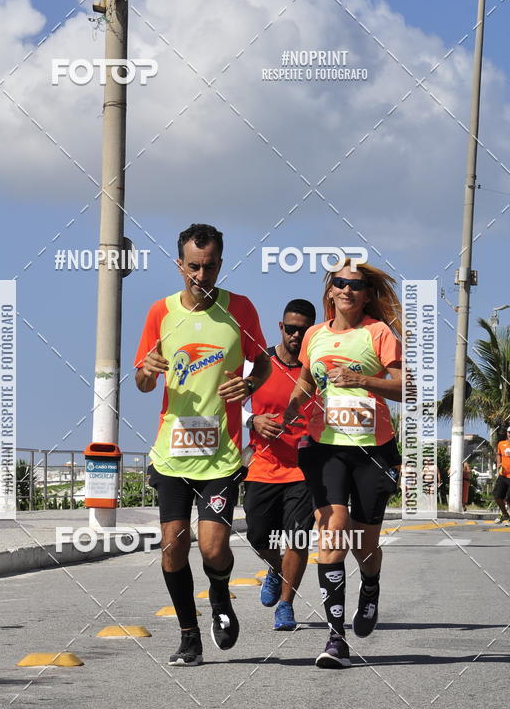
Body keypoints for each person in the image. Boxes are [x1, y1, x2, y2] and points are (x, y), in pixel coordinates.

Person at [134, 224, 270, 666]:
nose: (201, 275)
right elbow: (141, 381)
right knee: (173, 547)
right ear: (180, 265)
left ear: (220, 265)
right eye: (193, 266)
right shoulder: (161, 312)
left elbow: (263, 363)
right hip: (172, 454)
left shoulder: (240, 309)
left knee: (212, 547)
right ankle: (189, 636)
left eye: (209, 267)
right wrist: (147, 371)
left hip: (221, 455)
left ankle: (219, 594)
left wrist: (249, 383)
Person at [283, 260, 402, 669]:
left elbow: (405, 386)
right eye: (340, 283)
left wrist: (362, 380)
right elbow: (307, 380)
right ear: (330, 290)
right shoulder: (314, 334)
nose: (347, 290)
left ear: (366, 295)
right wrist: (294, 405)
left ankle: (370, 586)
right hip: (325, 447)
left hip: (372, 449)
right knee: (332, 531)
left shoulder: (378, 333)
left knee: (365, 546)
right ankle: (336, 638)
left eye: (356, 285)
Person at [242, 299, 316, 630]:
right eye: (291, 328)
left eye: (303, 330)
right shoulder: (258, 364)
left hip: (304, 469)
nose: (296, 335)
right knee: (258, 536)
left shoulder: (316, 370)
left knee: (298, 538)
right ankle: (275, 567)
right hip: (262, 465)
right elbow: (230, 404)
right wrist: (253, 420)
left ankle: (286, 605)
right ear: (281, 327)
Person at [493, 426, 510, 523]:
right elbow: (498, 454)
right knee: (497, 496)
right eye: (509, 432)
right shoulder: (501, 444)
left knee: (509, 499)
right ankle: (505, 514)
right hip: (503, 474)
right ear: (507, 433)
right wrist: (498, 463)